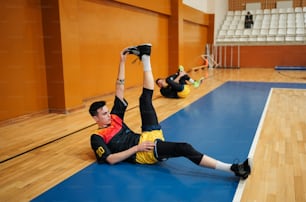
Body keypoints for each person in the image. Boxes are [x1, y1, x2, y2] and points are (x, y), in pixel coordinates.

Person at [89, 43, 251, 180]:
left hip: (148, 136)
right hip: (144, 152)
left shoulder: (115, 117)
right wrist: (136, 149)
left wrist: (122, 61)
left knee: (144, 99)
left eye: (107, 111)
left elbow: (119, 86)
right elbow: (110, 159)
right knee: (184, 148)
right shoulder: (97, 137)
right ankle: (232, 169)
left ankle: (145, 57)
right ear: (95, 118)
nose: (108, 115)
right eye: (103, 114)